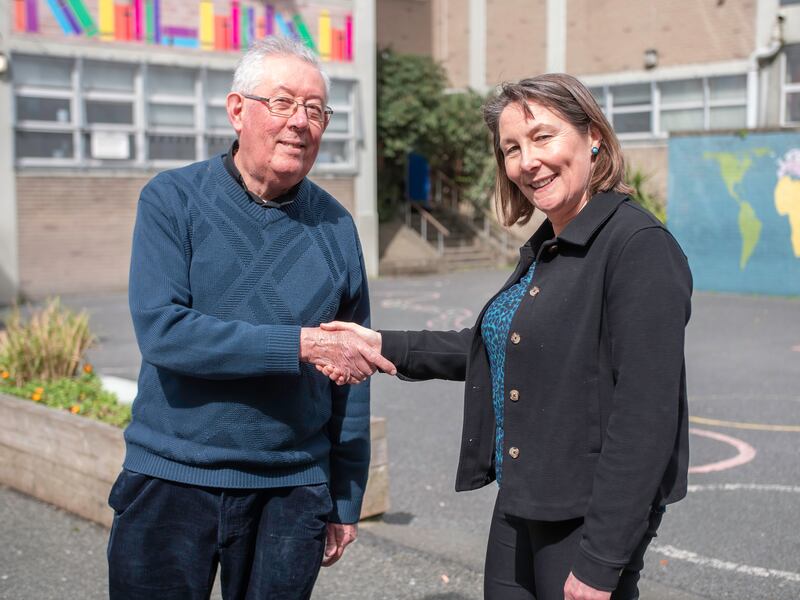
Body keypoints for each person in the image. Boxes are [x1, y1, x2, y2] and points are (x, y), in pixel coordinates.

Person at [320, 73, 692, 600]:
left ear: (594, 138)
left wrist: (601, 563)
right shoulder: (551, 244)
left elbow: (646, 419)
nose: (526, 162)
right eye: (511, 149)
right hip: (523, 501)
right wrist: (381, 346)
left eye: (543, 137)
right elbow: (497, 344)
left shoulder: (637, 247)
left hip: (584, 519)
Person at [107, 37, 395, 600]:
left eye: (315, 110)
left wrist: (345, 495)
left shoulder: (337, 227)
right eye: (283, 103)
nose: (300, 122)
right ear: (237, 110)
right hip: (171, 476)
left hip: (292, 490)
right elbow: (165, 332)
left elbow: (352, 370)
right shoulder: (173, 200)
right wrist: (299, 346)